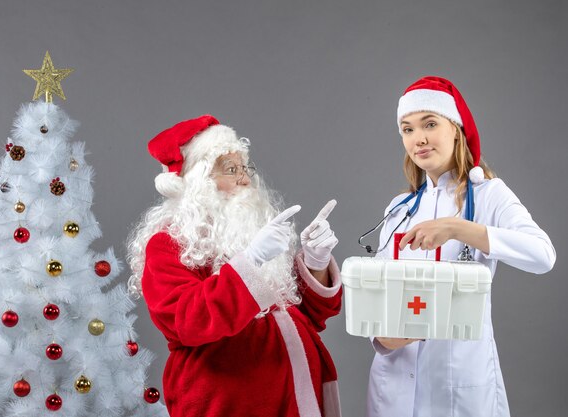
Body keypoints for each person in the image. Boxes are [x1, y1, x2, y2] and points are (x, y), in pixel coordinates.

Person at [127, 115, 343, 417]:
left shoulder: (246, 232)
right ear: (198, 182)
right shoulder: (166, 245)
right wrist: (250, 261)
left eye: (245, 168)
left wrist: (316, 261)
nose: (245, 178)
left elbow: (305, 317)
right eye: (231, 170)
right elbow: (189, 321)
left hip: (296, 397)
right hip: (233, 404)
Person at [365, 76, 556, 417]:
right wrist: (381, 339)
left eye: (430, 124)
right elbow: (377, 297)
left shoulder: (488, 195)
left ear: (456, 128)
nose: (418, 138)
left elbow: (543, 255)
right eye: (407, 129)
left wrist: (458, 229)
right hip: (393, 384)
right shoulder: (398, 208)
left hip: (457, 384)